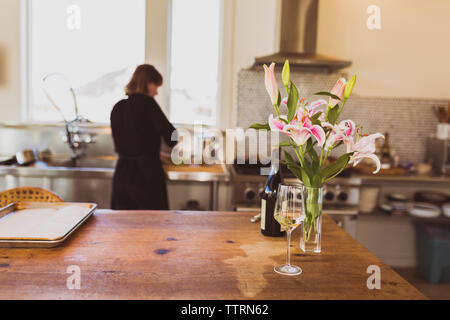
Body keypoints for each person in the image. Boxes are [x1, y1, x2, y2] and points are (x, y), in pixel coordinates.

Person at [110, 64, 177, 210]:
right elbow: (172, 137)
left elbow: (131, 142)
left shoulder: (118, 107)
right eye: (156, 86)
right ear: (147, 83)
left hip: (121, 176)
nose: (156, 92)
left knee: (123, 225)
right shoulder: (147, 104)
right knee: (152, 226)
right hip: (146, 177)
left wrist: (153, 152)